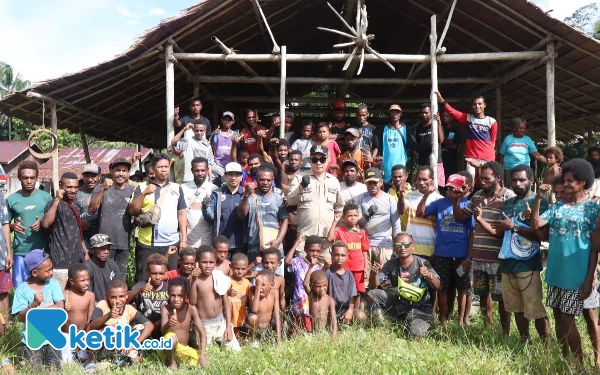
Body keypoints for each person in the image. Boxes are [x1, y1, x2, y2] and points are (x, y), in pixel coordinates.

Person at [531, 159, 600, 365]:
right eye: (566, 180)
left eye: (571, 181)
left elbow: (596, 248)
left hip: (577, 275)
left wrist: (590, 277)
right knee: (559, 316)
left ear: (583, 182)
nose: (566, 184)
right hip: (555, 273)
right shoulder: (557, 206)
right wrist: (537, 199)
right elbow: (536, 225)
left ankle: (584, 362)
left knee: (584, 316)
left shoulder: (592, 210)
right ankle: (566, 357)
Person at [475, 165, 549, 341]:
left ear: (531, 181)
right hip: (508, 264)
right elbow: (501, 234)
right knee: (516, 309)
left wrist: (515, 226)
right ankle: (525, 342)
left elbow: (542, 236)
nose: (517, 183)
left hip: (528, 265)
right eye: (514, 180)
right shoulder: (508, 203)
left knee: (535, 309)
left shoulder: (539, 203)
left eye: (522, 180)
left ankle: (546, 346)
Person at [452, 161, 515, 333]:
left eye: (487, 179)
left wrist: (479, 219)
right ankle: (487, 328)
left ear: (498, 178)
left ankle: (505, 333)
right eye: (481, 179)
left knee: (500, 298)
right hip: (479, 259)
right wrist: (457, 200)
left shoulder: (509, 197)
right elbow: (459, 217)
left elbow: (500, 233)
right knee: (482, 294)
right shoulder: (478, 196)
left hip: (497, 259)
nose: (483, 182)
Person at [416, 174, 473, 326]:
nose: (450, 191)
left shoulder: (469, 205)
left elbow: (472, 232)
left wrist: (469, 258)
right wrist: (427, 195)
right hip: (442, 253)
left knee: (462, 289)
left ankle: (460, 320)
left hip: (461, 255)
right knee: (442, 287)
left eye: (454, 188)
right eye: (448, 188)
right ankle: (443, 319)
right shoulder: (439, 203)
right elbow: (420, 213)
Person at [367, 233, 440, 338]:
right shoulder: (391, 264)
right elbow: (374, 285)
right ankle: (386, 322)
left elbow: (438, 286)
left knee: (415, 335)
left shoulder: (423, 263)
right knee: (371, 294)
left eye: (406, 244)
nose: (402, 247)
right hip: (398, 304)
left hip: (420, 309)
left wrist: (429, 276)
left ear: (413, 246)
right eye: (398, 244)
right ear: (394, 247)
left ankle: (420, 323)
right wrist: (374, 273)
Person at [129, 154, 187, 281]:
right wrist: (144, 193)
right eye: (160, 167)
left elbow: (182, 214)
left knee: (171, 279)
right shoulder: (142, 187)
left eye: (166, 166)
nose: (164, 169)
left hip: (171, 243)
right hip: (147, 244)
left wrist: (184, 239)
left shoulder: (177, 188)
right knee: (145, 280)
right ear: (153, 169)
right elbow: (132, 211)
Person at [287, 145, 344, 263]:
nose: (319, 163)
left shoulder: (334, 181)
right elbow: (290, 201)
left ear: (328, 160)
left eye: (322, 159)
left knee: (324, 275)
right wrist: (301, 187)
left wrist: (334, 232)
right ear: (310, 160)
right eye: (315, 159)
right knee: (302, 274)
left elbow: (339, 207)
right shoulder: (300, 177)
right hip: (305, 237)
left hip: (326, 238)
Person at [12, 249, 64, 370]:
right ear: (35, 272)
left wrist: (35, 313)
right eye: (47, 271)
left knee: (55, 369)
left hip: (52, 336)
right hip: (32, 338)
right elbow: (20, 317)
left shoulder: (53, 283)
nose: (51, 273)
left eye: (52, 268)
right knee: (33, 369)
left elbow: (60, 307)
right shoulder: (22, 289)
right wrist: (33, 305)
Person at [7, 160, 51, 287]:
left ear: (36, 178)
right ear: (19, 178)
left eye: (32, 178)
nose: (29, 181)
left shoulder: (46, 197)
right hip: (20, 252)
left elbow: (53, 221)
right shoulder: (11, 199)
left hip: (42, 252)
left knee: (42, 287)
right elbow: (4, 226)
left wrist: (42, 223)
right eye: (25, 178)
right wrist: (13, 226)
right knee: (20, 288)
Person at [89, 279, 153, 365]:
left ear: (127, 296)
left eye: (121, 296)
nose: (118, 301)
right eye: (113, 297)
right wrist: (108, 315)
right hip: (104, 347)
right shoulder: (103, 304)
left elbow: (149, 325)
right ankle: (91, 361)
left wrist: (135, 343)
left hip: (122, 347)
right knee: (101, 332)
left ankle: (124, 358)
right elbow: (92, 326)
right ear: (107, 296)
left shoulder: (128, 308)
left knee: (140, 327)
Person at [354, 168, 401, 288]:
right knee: (365, 278)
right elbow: (357, 224)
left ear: (381, 182)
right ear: (365, 183)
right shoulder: (360, 199)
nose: (373, 185)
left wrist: (397, 246)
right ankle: (366, 304)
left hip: (385, 245)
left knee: (384, 278)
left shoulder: (389, 199)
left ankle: (383, 304)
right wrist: (366, 216)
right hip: (365, 245)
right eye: (370, 182)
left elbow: (396, 224)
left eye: (375, 182)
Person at [88, 158, 134, 278]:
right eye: (117, 170)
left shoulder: (132, 190)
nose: (121, 173)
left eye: (124, 170)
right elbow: (91, 210)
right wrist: (102, 190)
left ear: (128, 173)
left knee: (119, 278)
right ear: (111, 171)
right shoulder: (100, 188)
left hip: (123, 243)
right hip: (103, 244)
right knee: (101, 276)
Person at [435, 91, 497, 179]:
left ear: (484, 105)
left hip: (487, 158)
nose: (477, 106)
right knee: (470, 184)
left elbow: (493, 141)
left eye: (480, 104)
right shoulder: (468, 118)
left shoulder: (492, 121)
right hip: (472, 158)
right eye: (475, 104)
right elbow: (452, 112)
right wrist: (442, 100)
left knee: (487, 182)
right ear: (472, 106)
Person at [41, 172, 88, 290]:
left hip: (77, 261)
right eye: (69, 187)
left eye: (76, 187)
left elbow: (79, 232)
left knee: (75, 296)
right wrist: (57, 199)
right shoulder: (55, 204)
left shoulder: (78, 206)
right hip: (60, 262)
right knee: (60, 296)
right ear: (61, 186)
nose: (73, 190)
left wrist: (85, 252)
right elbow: (46, 224)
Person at [189, 247, 240, 350]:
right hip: (204, 325)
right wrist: (193, 280)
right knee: (208, 354)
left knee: (234, 351)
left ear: (215, 262)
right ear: (197, 262)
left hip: (221, 322)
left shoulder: (218, 277)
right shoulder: (195, 280)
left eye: (211, 262)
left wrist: (229, 327)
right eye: (204, 262)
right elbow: (192, 302)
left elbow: (226, 304)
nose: (208, 266)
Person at [238, 166, 288, 265]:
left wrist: (278, 241)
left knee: (276, 279)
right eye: (262, 180)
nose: (265, 182)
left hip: (274, 248)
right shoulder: (249, 196)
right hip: (254, 248)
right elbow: (241, 215)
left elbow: (284, 221)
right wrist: (246, 196)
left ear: (273, 180)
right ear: (256, 179)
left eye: (268, 180)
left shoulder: (278, 198)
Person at [309, 242, 367, 324]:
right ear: (331, 255)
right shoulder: (327, 272)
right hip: (329, 310)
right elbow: (318, 279)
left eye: (342, 255)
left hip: (345, 309)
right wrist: (325, 267)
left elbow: (352, 296)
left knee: (361, 315)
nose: (339, 258)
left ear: (347, 256)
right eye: (337, 255)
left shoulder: (349, 274)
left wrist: (350, 310)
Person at [159, 277, 209, 369]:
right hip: (166, 349)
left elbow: (202, 332)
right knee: (171, 338)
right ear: (168, 295)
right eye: (173, 295)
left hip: (182, 350)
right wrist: (169, 324)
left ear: (186, 296)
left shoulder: (191, 309)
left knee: (196, 358)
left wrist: (202, 355)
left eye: (180, 295)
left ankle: (182, 360)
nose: (176, 299)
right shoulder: (165, 309)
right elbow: (163, 331)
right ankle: (171, 362)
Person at [401, 166, 443, 260]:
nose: (421, 183)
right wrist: (401, 195)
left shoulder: (439, 199)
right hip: (411, 248)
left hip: (430, 249)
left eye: (424, 179)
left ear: (432, 179)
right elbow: (401, 210)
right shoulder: (410, 195)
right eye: (419, 179)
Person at [328, 202, 370, 296]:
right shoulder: (339, 230)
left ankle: (357, 310)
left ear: (358, 216)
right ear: (343, 217)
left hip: (358, 268)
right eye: (349, 215)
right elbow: (330, 238)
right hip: (345, 267)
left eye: (355, 215)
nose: (353, 218)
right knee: (345, 290)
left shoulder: (362, 232)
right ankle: (345, 309)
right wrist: (335, 221)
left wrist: (365, 268)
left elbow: (364, 251)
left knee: (358, 292)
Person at [203, 162, 245, 255]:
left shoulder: (246, 194)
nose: (233, 178)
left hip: (241, 243)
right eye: (230, 174)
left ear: (241, 177)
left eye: (237, 175)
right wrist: (206, 207)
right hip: (220, 244)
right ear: (225, 176)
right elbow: (211, 218)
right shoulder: (216, 193)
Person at [285, 235, 323, 333]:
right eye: (312, 250)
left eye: (318, 251)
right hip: (299, 303)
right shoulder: (298, 261)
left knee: (310, 331)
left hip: (312, 304)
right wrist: (297, 242)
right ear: (305, 249)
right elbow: (287, 260)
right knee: (298, 331)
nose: (315, 253)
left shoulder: (319, 267)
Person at [128, 254, 169, 338]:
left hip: (163, 326)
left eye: (161, 273)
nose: (157, 277)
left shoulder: (169, 287)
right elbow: (123, 301)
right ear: (147, 272)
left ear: (166, 272)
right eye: (154, 273)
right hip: (144, 326)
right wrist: (139, 290)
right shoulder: (140, 285)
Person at [181, 157, 218, 248]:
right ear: (192, 171)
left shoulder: (214, 189)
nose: (200, 173)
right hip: (187, 240)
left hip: (207, 240)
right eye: (197, 170)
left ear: (207, 170)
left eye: (203, 170)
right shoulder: (183, 188)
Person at [62, 264, 95, 365]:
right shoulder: (64, 294)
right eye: (82, 280)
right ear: (72, 281)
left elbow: (90, 317)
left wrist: (85, 335)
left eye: (88, 279)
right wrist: (64, 308)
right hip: (66, 335)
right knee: (66, 362)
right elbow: (58, 317)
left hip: (82, 335)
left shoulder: (90, 295)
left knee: (83, 358)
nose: (86, 283)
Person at [499, 118, 546, 186]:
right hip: (509, 170)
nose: (523, 130)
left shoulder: (527, 139)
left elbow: (536, 154)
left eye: (524, 128)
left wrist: (548, 161)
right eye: (520, 128)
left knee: (523, 190)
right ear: (514, 129)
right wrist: (501, 170)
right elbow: (501, 155)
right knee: (510, 192)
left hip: (524, 171)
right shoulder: (508, 139)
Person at [381, 104, 416, 184]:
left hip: (401, 165)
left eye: (397, 112)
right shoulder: (384, 129)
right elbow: (380, 147)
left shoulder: (406, 128)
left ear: (400, 114)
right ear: (389, 114)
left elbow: (412, 145)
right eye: (392, 112)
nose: (395, 114)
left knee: (400, 187)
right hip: (387, 166)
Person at [247, 270, 282, 344]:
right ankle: (252, 342)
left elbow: (277, 315)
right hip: (256, 329)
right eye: (258, 285)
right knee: (252, 317)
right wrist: (257, 289)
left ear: (272, 285)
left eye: (263, 285)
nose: (260, 288)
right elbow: (254, 310)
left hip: (268, 328)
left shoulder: (274, 293)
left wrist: (279, 337)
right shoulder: (252, 292)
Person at [84, 234, 122, 303]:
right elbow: (86, 296)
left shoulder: (113, 265)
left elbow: (119, 288)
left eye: (108, 248)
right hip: (94, 306)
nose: (106, 251)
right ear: (92, 250)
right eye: (102, 248)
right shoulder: (87, 268)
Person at [414, 103, 445, 187]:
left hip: (436, 161)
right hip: (422, 162)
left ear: (431, 112)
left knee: (437, 186)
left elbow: (441, 140)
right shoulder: (419, 127)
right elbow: (418, 143)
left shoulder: (435, 125)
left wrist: (438, 123)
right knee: (422, 186)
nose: (424, 114)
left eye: (426, 112)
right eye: (422, 113)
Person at [304, 269, 337, 338]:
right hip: (314, 333)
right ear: (311, 286)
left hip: (326, 333)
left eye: (324, 285)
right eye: (318, 286)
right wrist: (311, 267)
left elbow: (334, 320)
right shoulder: (312, 297)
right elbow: (305, 284)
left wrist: (333, 337)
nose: (322, 289)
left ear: (327, 283)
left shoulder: (329, 300)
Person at [77, 163, 100, 249]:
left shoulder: (105, 191)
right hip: (83, 239)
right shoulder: (76, 193)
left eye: (93, 176)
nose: (90, 179)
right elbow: (69, 214)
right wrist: (80, 221)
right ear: (83, 176)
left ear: (99, 176)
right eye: (87, 176)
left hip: (101, 238)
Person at [228, 253, 251, 338]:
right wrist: (227, 292)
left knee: (238, 332)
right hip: (229, 315)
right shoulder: (227, 281)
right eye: (237, 268)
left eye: (243, 269)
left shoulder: (247, 283)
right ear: (231, 266)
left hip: (241, 314)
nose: (240, 271)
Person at [210, 111, 238, 178]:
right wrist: (213, 135)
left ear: (233, 121)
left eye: (229, 120)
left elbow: (238, 149)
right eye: (225, 119)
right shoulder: (216, 133)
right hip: (217, 164)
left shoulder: (235, 134)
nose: (227, 121)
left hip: (231, 164)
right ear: (222, 120)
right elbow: (211, 147)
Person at [387, 164, 412, 231]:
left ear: (406, 175)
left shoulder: (412, 193)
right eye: (395, 177)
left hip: (408, 234)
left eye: (400, 176)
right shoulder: (389, 192)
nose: (397, 179)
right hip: (393, 236)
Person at [439, 110, 462, 181]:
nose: (445, 118)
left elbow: (452, 144)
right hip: (441, 159)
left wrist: (444, 142)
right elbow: (444, 141)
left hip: (452, 159)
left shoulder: (454, 130)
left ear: (451, 118)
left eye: (447, 116)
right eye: (443, 116)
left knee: (452, 178)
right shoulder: (439, 128)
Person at [0, 193, 11, 313]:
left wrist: (9, 252)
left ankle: (5, 328)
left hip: (1, 255)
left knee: (2, 291)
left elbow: (5, 224)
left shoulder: (0, 197)